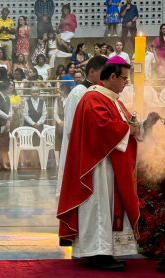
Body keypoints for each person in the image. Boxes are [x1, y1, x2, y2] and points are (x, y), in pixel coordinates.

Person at [57, 55, 159, 270]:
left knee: (105, 207)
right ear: (112, 76)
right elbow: (102, 127)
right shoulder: (92, 97)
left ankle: (104, 250)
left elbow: (124, 125)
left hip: (108, 164)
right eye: (123, 79)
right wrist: (127, 129)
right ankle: (97, 253)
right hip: (96, 167)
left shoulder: (112, 98)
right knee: (98, 207)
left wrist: (142, 125)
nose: (125, 83)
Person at [56, 55, 108, 202]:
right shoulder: (79, 92)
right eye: (103, 72)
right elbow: (72, 128)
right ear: (92, 72)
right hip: (78, 152)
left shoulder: (98, 92)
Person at [54, 83, 70, 157]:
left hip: (69, 124)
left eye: (61, 90)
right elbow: (55, 113)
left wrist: (66, 122)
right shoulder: (57, 100)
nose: (60, 92)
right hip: (60, 124)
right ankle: (59, 163)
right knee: (59, 144)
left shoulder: (70, 99)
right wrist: (60, 122)